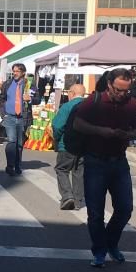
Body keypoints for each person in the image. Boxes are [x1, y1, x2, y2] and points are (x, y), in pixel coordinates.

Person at [72, 68, 136, 268]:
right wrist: (100, 131)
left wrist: (126, 135)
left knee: (125, 209)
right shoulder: (94, 101)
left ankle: (111, 243)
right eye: (118, 90)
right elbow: (78, 124)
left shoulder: (131, 104)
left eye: (125, 91)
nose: (122, 94)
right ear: (109, 84)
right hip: (95, 161)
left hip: (119, 162)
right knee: (95, 213)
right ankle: (100, 250)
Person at [52, 83, 87, 211]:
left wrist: (56, 138)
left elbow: (58, 126)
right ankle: (78, 201)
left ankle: (67, 196)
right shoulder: (89, 106)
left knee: (62, 169)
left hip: (67, 144)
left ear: (71, 93)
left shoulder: (67, 106)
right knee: (79, 172)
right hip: (84, 145)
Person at [0, 63, 38, 176]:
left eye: (17, 71)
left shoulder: (30, 84)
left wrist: (30, 99)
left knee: (19, 144)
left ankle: (17, 165)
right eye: (14, 71)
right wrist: (3, 114)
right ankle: (10, 166)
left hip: (23, 118)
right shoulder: (7, 83)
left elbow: (38, 99)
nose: (15, 73)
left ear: (23, 73)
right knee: (12, 141)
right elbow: (2, 99)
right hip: (10, 117)